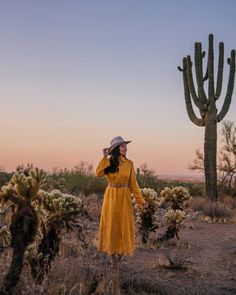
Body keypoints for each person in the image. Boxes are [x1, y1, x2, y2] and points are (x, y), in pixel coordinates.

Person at [95, 136, 148, 270]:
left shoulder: (129, 163)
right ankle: (114, 261)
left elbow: (134, 185)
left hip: (124, 197)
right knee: (112, 226)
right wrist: (104, 158)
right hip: (111, 197)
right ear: (116, 149)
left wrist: (140, 200)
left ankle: (119, 258)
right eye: (122, 146)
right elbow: (98, 173)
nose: (125, 148)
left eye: (125, 145)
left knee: (124, 226)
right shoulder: (109, 163)